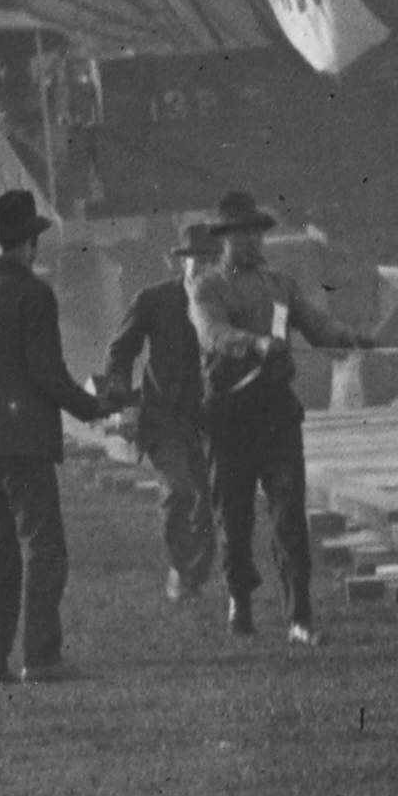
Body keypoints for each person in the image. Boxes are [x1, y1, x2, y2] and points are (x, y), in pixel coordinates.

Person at [0, 187, 111, 682]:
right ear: (32, 243)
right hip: (21, 438)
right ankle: (41, 657)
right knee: (43, 545)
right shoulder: (34, 294)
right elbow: (47, 374)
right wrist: (93, 408)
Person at [190, 194, 362, 646]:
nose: (251, 240)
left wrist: (346, 337)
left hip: (276, 414)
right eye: (241, 233)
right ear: (224, 239)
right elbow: (213, 334)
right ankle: (239, 600)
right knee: (234, 518)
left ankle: (299, 617)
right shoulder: (207, 289)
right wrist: (254, 343)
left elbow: (316, 324)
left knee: (289, 515)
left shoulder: (280, 285)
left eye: (256, 232)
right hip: (229, 416)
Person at [91, 225, 224, 602]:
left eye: (212, 260)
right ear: (181, 262)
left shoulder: (227, 303)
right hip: (163, 416)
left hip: (210, 418)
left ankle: (192, 573)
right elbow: (120, 352)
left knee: (209, 503)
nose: (205, 268)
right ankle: (182, 570)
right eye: (198, 260)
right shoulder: (155, 300)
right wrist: (123, 403)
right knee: (179, 489)